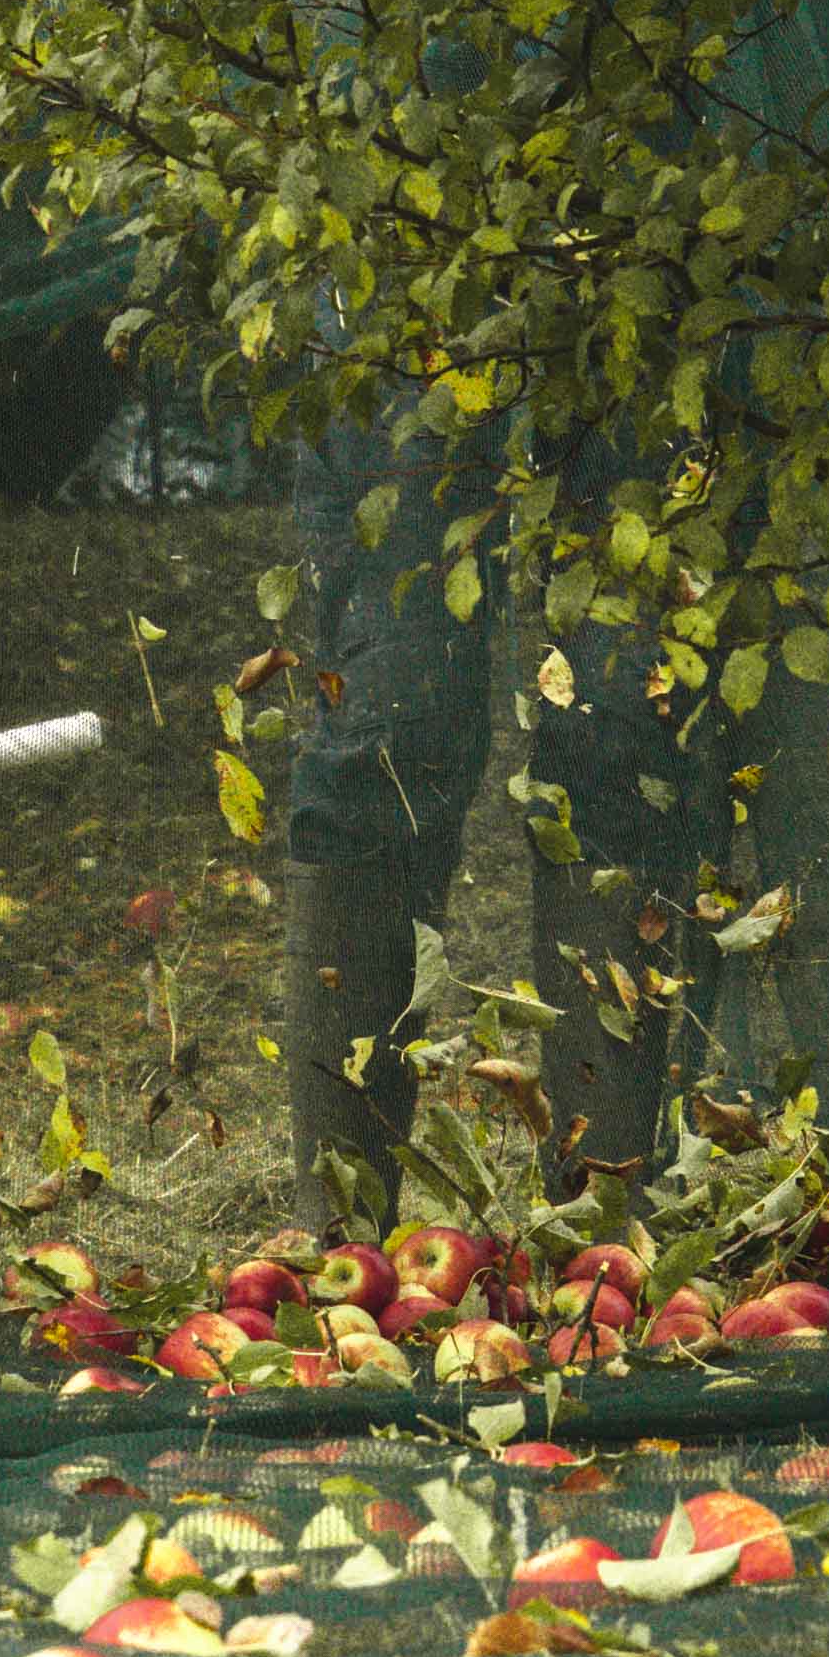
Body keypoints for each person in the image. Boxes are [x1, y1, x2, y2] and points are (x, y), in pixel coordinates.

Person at [270, 408, 750, 1231]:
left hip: (622, 308)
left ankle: (604, 1213)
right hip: (410, 319)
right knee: (384, 720)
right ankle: (340, 1238)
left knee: (622, 710)